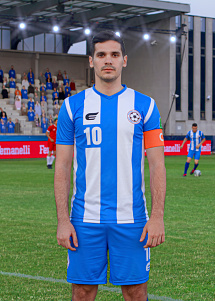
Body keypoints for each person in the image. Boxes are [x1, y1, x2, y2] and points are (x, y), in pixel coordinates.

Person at [53, 31, 166, 301]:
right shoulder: (71, 107)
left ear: (124, 61)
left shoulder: (146, 106)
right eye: (101, 55)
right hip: (84, 220)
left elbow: (157, 166)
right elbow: (62, 168)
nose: (108, 60)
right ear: (91, 61)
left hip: (132, 219)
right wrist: (62, 220)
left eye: (114, 55)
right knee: (82, 292)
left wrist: (158, 216)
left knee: (136, 292)